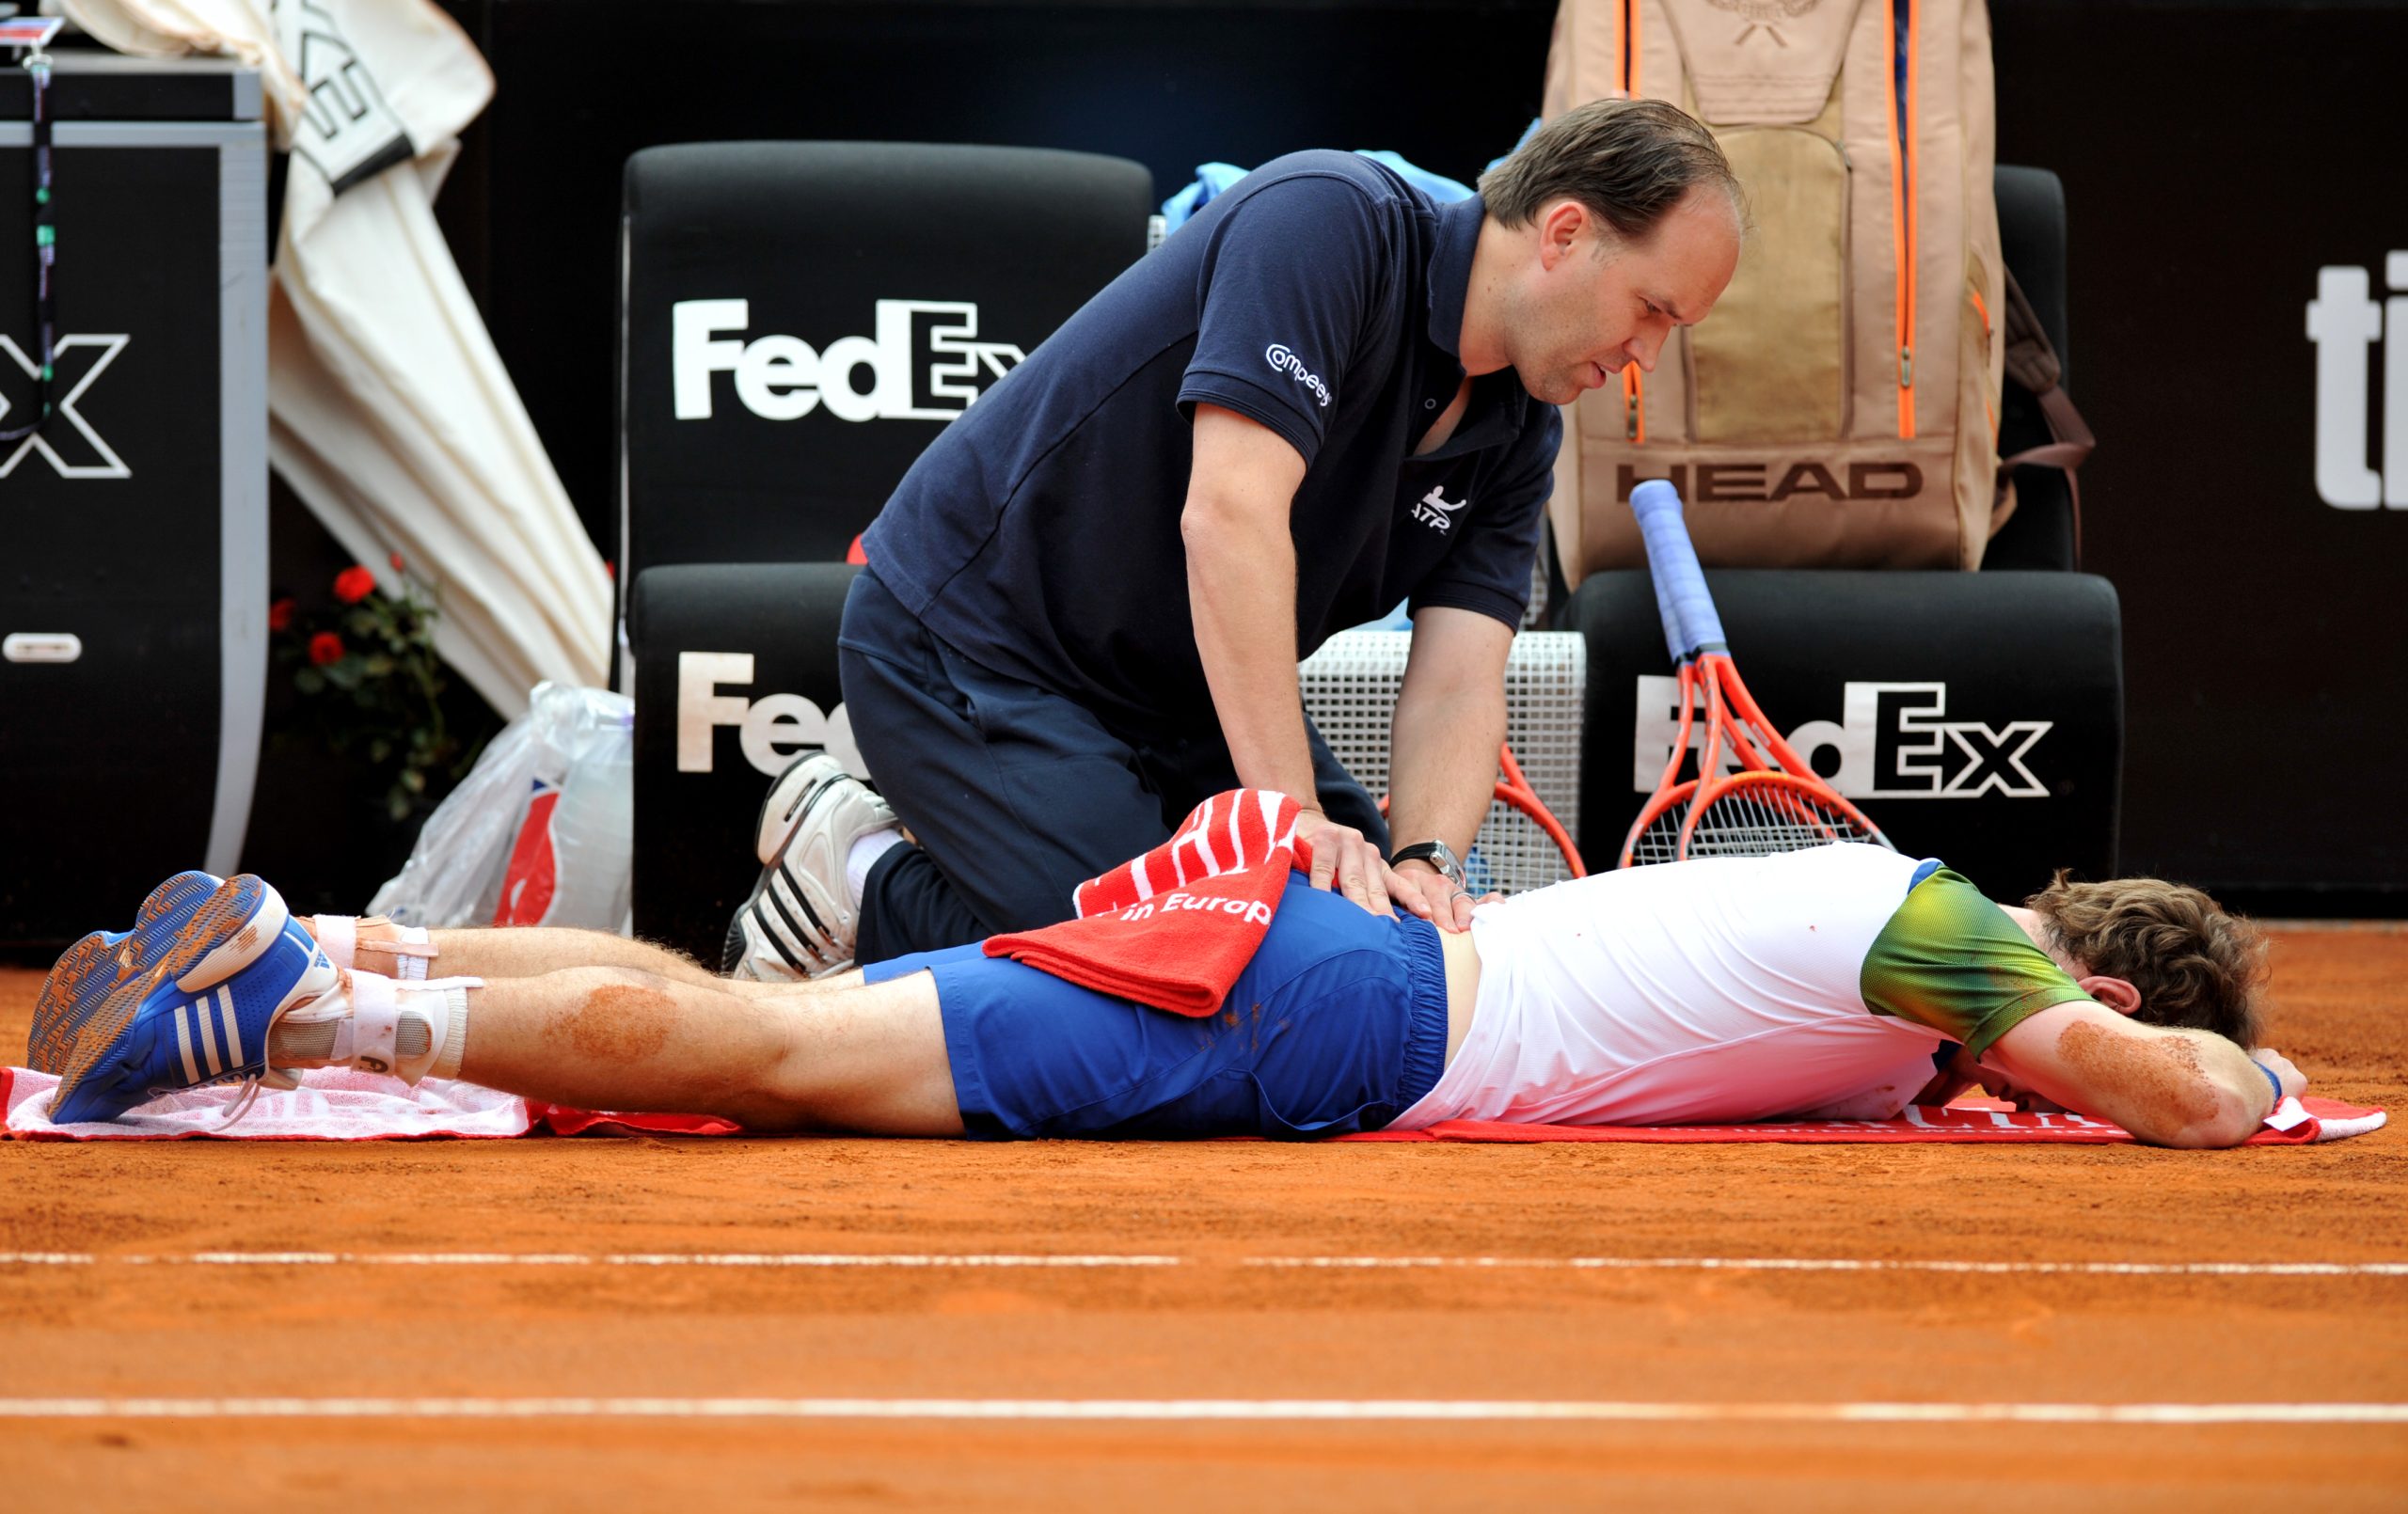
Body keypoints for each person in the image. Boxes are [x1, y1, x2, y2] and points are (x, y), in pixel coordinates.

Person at [728, 98, 1747, 982]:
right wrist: (1286, 814)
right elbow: (1228, 516)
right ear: (1563, 233)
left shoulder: (1524, 430)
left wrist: (1429, 862)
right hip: (972, 643)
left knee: (1372, 957)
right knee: (1170, 964)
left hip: (1185, 699)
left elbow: (1456, 679)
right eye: (1650, 309)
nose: (1644, 356)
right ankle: (858, 871)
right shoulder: (1324, 216)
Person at [33, 805, 2298, 1149]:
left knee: (764, 1010)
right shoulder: (1952, 943)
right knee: (776, 1050)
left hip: (1315, 963)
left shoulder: (1863, 954)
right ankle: (292, 1017)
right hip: (1339, 1017)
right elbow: (2170, 1094)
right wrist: (2251, 1082)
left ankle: (335, 942)